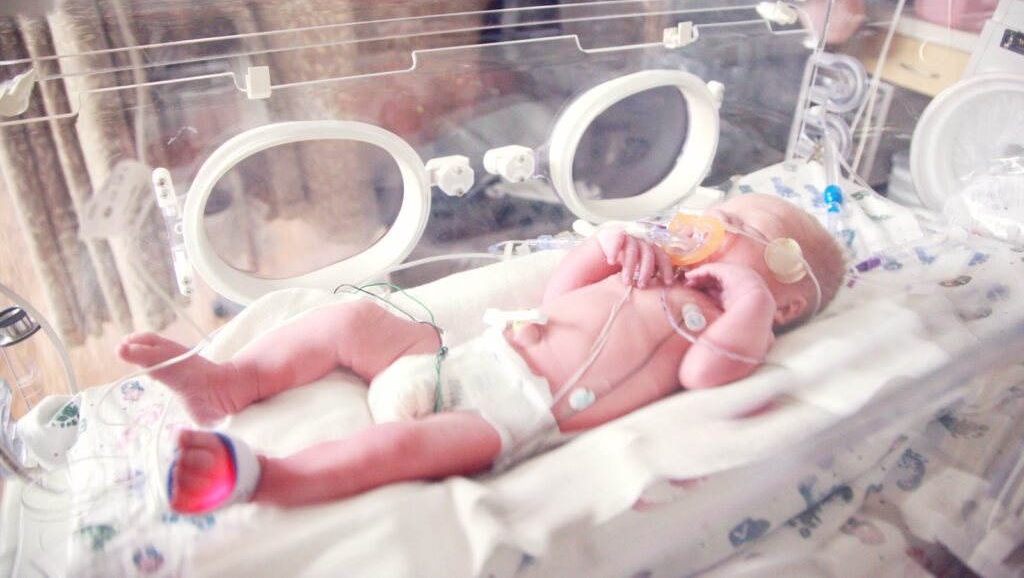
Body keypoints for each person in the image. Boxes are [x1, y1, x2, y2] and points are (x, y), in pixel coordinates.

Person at [118, 193, 846, 513]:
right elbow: (559, 295)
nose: (714, 224)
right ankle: (231, 379)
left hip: (511, 412)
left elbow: (705, 374)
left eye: (743, 224)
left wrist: (744, 300)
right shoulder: (657, 270)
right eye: (716, 213)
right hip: (463, 354)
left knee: (399, 447)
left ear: (785, 301)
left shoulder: (720, 320)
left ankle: (269, 479)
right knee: (354, 319)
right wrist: (606, 248)